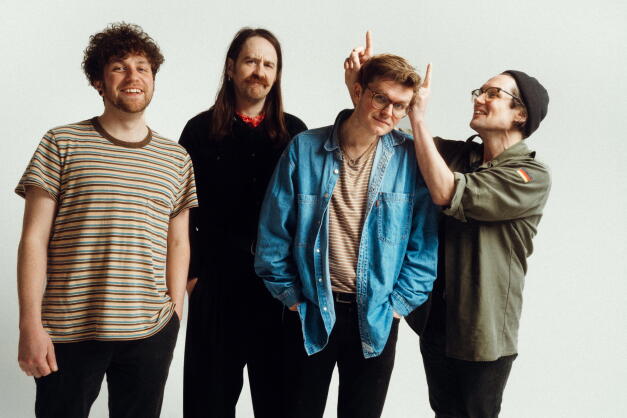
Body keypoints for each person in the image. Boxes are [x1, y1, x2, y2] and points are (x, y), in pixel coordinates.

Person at [346, 33, 551, 418]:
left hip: (483, 336)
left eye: (492, 93)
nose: (479, 98)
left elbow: (445, 191)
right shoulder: (459, 155)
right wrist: (363, 90)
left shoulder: (530, 175)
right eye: (480, 91)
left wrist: (418, 117)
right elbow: (388, 137)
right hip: (437, 325)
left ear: (521, 114)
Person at [15, 23, 197, 418]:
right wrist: (29, 323)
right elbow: (33, 238)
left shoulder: (175, 158)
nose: (133, 76)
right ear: (99, 81)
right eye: (119, 67)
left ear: (153, 79)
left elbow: (178, 241)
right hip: (68, 329)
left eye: (142, 68)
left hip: (150, 332)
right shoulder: (61, 143)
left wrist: (173, 315)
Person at [255, 53, 439, 418]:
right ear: (358, 91)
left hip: (376, 318)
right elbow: (272, 236)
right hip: (311, 314)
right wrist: (292, 298)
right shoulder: (304, 149)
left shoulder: (410, 158)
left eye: (400, 105)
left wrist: (397, 307)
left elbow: (424, 247)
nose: (388, 112)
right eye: (380, 98)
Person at [179, 28, 306, 418]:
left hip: (278, 291)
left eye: (269, 64)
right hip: (216, 287)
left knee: (281, 404)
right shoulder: (199, 131)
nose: (259, 71)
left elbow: (308, 216)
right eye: (251, 61)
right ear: (231, 68)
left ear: (277, 75)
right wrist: (193, 277)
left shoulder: (295, 134)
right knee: (208, 404)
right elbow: (181, 212)